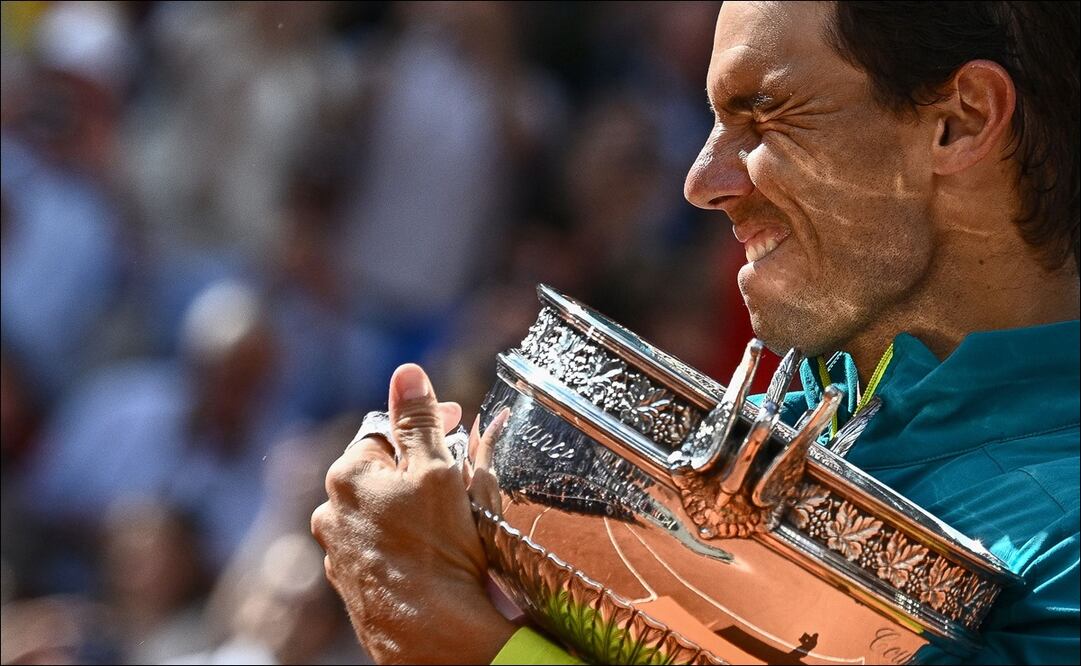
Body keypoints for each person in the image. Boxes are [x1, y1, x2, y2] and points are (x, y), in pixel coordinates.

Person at [311, 2, 1079, 664]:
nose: (702, 180)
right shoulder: (813, 408)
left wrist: (446, 635)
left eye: (764, 113)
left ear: (959, 121)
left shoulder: (1063, 543)